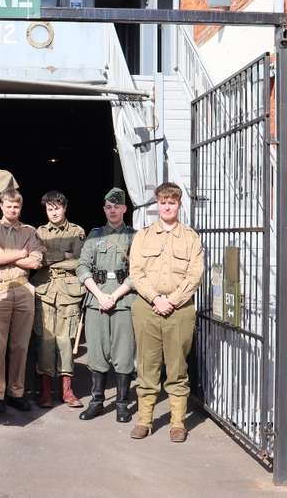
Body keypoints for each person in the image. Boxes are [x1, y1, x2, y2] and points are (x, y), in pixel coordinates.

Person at [128, 182, 204, 442]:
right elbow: (135, 272)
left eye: (171, 202)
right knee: (147, 366)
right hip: (147, 308)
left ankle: (177, 423)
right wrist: (155, 298)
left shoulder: (191, 238)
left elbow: (195, 275)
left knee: (177, 368)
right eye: (162, 202)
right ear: (157, 205)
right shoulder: (143, 236)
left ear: (179, 205)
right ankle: (144, 420)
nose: (167, 206)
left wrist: (171, 300)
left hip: (179, 310)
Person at [77, 187, 137, 423]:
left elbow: (138, 272)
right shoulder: (94, 235)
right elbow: (82, 266)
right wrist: (100, 294)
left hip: (123, 300)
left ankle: (122, 404)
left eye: (117, 207)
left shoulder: (134, 236)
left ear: (124, 209)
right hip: (96, 301)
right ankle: (97, 401)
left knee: (123, 354)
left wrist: (116, 295)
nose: (112, 211)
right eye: (108, 207)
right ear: (104, 209)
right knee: (97, 353)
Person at [0, 188, 44, 413]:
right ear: (1, 206)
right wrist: (21, 254)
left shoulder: (30, 231)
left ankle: (16, 392)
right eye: (9, 206)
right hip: (0, 289)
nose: (12, 210)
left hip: (24, 288)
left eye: (16, 207)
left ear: (21, 207)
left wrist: (13, 257)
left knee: (20, 345)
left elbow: (36, 262)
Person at [32, 191, 86, 409]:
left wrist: (51, 260)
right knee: (45, 341)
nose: (54, 212)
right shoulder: (39, 232)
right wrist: (63, 256)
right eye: (50, 209)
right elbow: (37, 260)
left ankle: (67, 391)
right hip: (45, 290)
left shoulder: (76, 231)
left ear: (65, 208)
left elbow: (81, 261)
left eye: (57, 208)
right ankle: (45, 392)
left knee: (65, 342)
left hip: (68, 292)